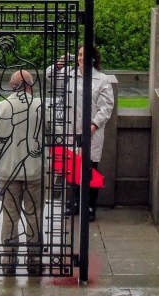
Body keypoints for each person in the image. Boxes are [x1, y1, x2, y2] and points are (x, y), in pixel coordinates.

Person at [0, 70, 45, 276]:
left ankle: (9, 262)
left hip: (8, 171)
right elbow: (55, 135)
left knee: (10, 217)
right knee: (34, 216)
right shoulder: (41, 106)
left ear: (11, 85)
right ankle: (34, 261)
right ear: (31, 85)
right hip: (34, 171)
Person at [47, 46, 114, 223]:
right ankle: (75, 203)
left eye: (85, 55)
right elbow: (49, 75)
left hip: (91, 132)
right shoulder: (69, 74)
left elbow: (106, 108)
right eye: (79, 54)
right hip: (71, 130)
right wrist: (62, 61)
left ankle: (90, 206)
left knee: (90, 170)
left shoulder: (102, 79)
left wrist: (92, 126)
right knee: (74, 168)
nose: (81, 58)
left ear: (93, 58)